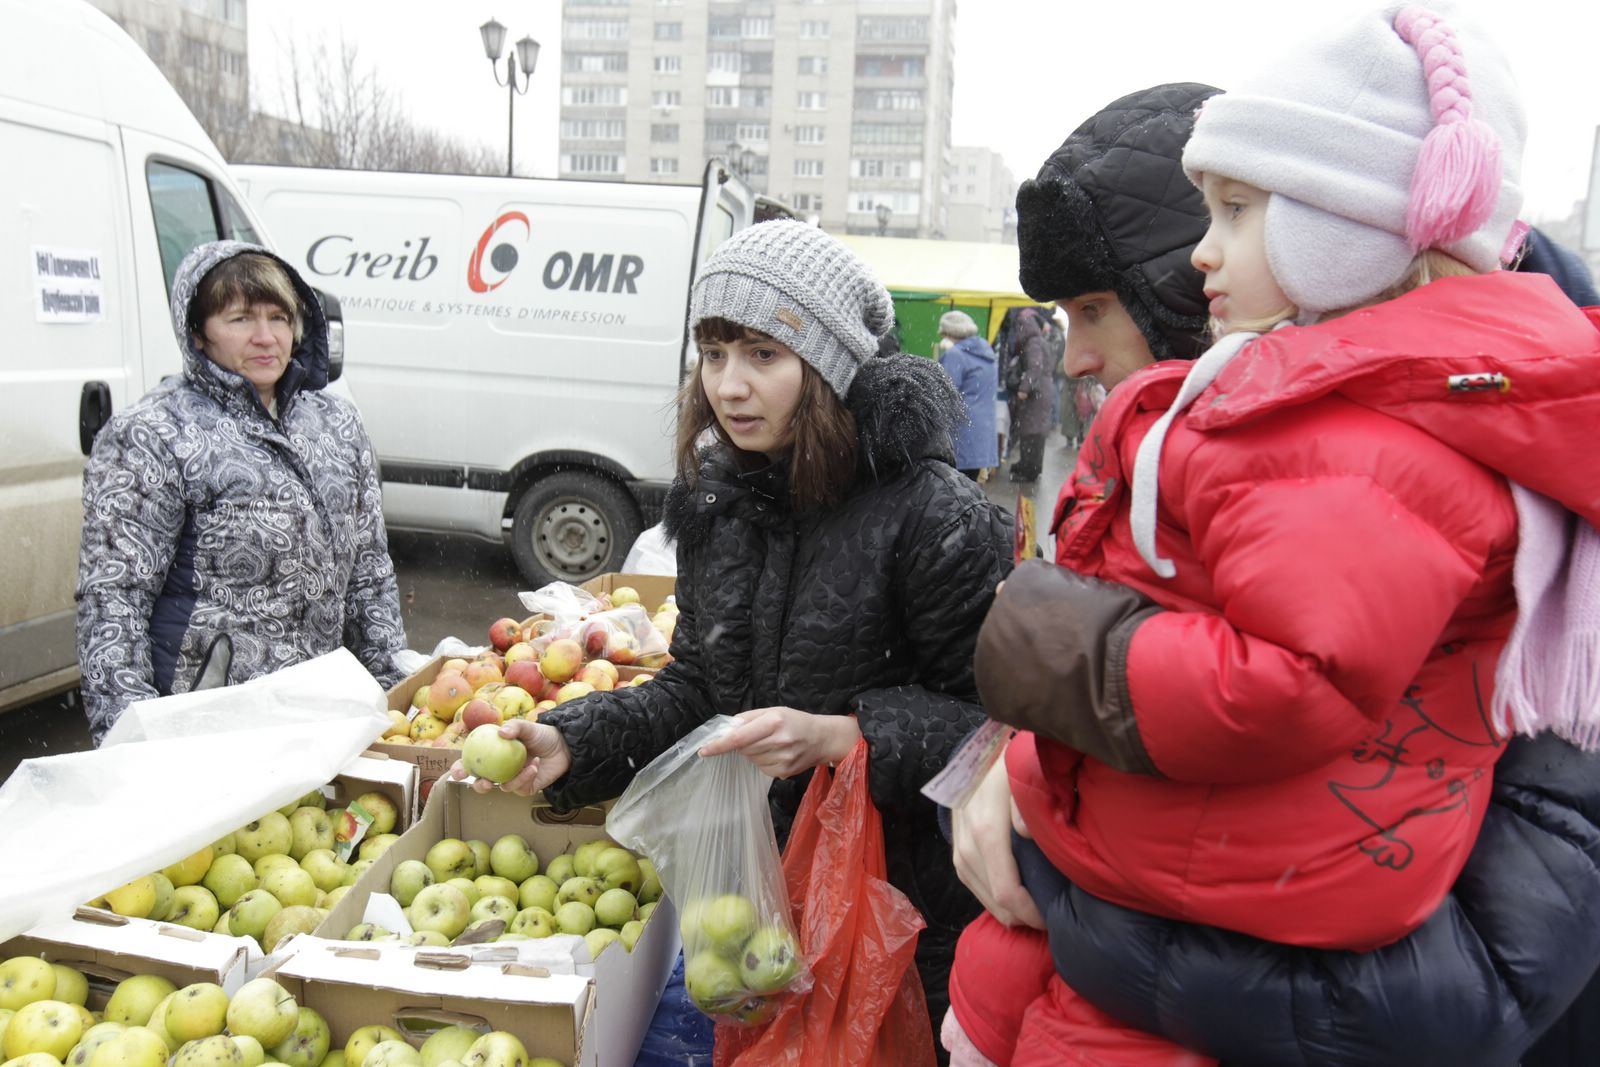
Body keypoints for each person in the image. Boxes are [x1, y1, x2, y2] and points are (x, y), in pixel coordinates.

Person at [947, 21, 1600, 1064]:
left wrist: (1044, 658)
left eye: (1236, 213)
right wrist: (1029, 764)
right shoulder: (1313, 416)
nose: (1071, 354)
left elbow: (1445, 984)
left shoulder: (1363, 435)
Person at [458, 219, 1012, 1057]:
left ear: (827, 366)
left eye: (762, 355)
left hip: (902, 921)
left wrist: (843, 735)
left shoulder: (931, 514)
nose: (730, 385)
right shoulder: (721, 506)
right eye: (713, 354)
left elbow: (995, 731)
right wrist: (571, 740)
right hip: (759, 908)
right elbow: (698, 691)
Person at [76, 241, 407, 741]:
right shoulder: (152, 434)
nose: (265, 337)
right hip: (206, 721)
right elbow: (114, 599)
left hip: (321, 711)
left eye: (279, 317)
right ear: (197, 334)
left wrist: (396, 691)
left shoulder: (335, 424)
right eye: (239, 319)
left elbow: (369, 574)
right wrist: (127, 737)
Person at [935, 310, 999, 480]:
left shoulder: (955, 355)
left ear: (949, 333)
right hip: (981, 435)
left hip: (961, 436)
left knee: (952, 494)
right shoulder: (986, 353)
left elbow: (943, 394)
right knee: (968, 493)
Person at [1004, 307, 1057, 483]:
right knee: (1034, 429)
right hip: (1043, 390)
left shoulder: (1033, 342)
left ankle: (1029, 470)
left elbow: (1034, 367)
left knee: (1031, 430)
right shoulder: (1039, 340)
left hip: (1037, 392)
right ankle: (1029, 466)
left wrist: (1023, 389)